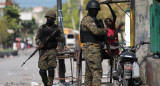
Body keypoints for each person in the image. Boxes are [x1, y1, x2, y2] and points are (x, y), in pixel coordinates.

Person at [80, 0, 108, 86]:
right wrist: (105, 31)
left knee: (89, 73)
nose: (96, 12)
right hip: (91, 48)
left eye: (97, 10)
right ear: (90, 10)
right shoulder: (88, 19)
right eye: (94, 10)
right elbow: (95, 31)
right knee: (97, 71)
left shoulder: (94, 20)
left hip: (92, 47)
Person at [35, 10, 64, 86]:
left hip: (52, 50)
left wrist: (54, 38)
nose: (49, 19)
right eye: (48, 18)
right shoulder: (42, 28)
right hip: (43, 51)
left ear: (54, 19)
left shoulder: (57, 28)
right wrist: (39, 43)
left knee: (51, 69)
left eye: (51, 18)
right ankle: (45, 83)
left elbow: (62, 38)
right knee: (42, 71)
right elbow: (37, 38)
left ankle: (50, 84)